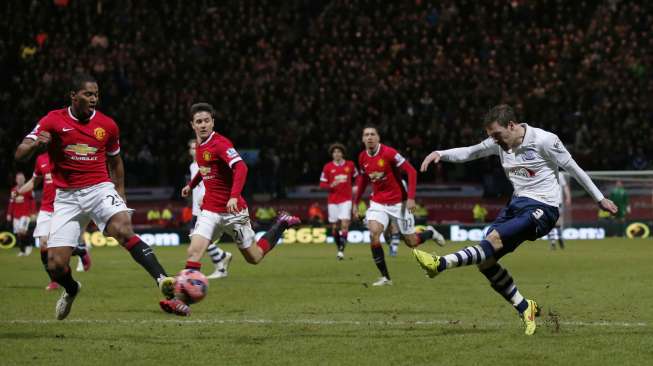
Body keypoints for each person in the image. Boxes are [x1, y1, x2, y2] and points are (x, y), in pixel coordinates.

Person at [414, 104, 618, 335]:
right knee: (486, 261)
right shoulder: (498, 142)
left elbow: (574, 169)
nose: (495, 141)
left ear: (511, 126)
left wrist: (599, 199)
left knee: (494, 240)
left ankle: (441, 263)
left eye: (497, 135)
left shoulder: (545, 140)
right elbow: (471, 152)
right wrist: (440, 154)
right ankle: (524, 306)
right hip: (516, 204)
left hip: (544, 207)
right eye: (491, 137)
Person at [15, 73, 176, 320]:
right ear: (73, 96)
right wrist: (37, 145)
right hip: (67, 197)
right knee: (56, 266)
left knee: (123, 229)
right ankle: (71, 289)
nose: (94, 99)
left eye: (96, 95)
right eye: (88, 94)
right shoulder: (52, 120)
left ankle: (163, 280)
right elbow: (20, 154)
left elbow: (116, 160)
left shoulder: (107, 125)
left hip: (99, 188)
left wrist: (120, 193)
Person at [161, 102, 301, 316]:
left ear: (213, 122)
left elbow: (241, 167)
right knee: (194, 250)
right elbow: (205, 168)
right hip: (209, 210)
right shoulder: (200, 145)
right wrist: (191, 185)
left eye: (207, 120)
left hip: (233, 212)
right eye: (199, 121)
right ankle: (181, 302)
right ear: (192, 125)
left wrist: (234, 196)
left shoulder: (220, 143)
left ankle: (281, 224)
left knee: (254, 257)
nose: (203, 124)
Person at [352, 125, 445, 286]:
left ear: (378, 137)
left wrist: (410, 198)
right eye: (366, 135)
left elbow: (411, 172)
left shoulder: (389, 153)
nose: (369, 137)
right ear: (362, 139)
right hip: (378, 203)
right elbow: (363, 181)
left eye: (372, 134)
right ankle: (385, 278)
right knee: (374, 234)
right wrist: (356, 202)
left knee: (411, 242)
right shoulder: (362, 157)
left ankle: (430, 232)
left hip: (399, 203)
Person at [18, 153, 92, 290]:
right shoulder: (41, 159)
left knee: (59, 247)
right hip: (46, 209)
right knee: (44, 245)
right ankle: (54, 280)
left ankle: (80, 253)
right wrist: (20, 191)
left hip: (65, 208)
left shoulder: (70, 154)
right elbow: (35, 180)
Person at [188, 139, 232, 279]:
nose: (193, 150)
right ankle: (222, 257)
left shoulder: (202, 164)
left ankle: (220, 265)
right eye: (191, 148)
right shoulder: (193, 165)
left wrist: (205, 198)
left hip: (204, 207)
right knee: (197, 238)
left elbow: (210, 182)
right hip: (196, 208)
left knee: (198, 238)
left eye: (195, 148)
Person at [319, 143, 357, 260]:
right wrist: (330, 185)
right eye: (335, 152)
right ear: (332, 154)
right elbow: (322, 184)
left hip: (346, 199)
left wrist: (356, 186)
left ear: (342, 153)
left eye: (339, 152)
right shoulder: (328, 167)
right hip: (333, 201)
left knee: (345, 224)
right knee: (334, 227)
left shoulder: (350, 165)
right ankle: (339, 247)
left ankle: (341, 251)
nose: (337, 154)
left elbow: (358, 177)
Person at [7, 172, 35, 257]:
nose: (20, 180)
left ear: (24, 179)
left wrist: (33, 212)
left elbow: (32, 201)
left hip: (25, 214)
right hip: (16, 215)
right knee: (19, 234)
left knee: (22, 231)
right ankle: (22, 251)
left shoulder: (28, 189)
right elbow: (11, 203)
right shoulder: (13, 190)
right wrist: (9, 214)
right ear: (16, 180)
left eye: (22, 179)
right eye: (18, 179)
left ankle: (29, 245)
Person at [549, 172, 571, 249]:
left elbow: (565, 186)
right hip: (548, 202)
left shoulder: (560, 174)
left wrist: (568, 197)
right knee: (551, 222)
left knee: (557, 222)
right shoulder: (546, 172)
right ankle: (553, 241)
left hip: (558, 202)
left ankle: (558, 238)